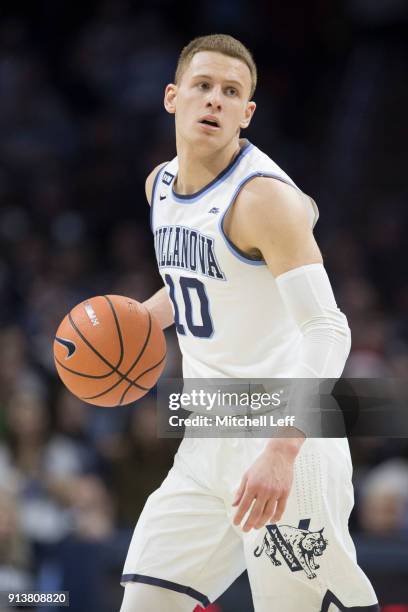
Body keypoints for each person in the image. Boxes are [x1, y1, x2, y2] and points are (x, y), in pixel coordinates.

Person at [120, 34, 379, 612]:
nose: (214, 99)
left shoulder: (262, 200)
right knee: (145, 602)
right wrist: (142, 318)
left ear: (247, 113)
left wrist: (281, 452)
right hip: (208, 434)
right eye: (203, 86)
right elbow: (206, 281)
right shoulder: (159, 185)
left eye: (230, 92)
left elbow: (329, 329)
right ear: (172, 96)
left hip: (286, 437)